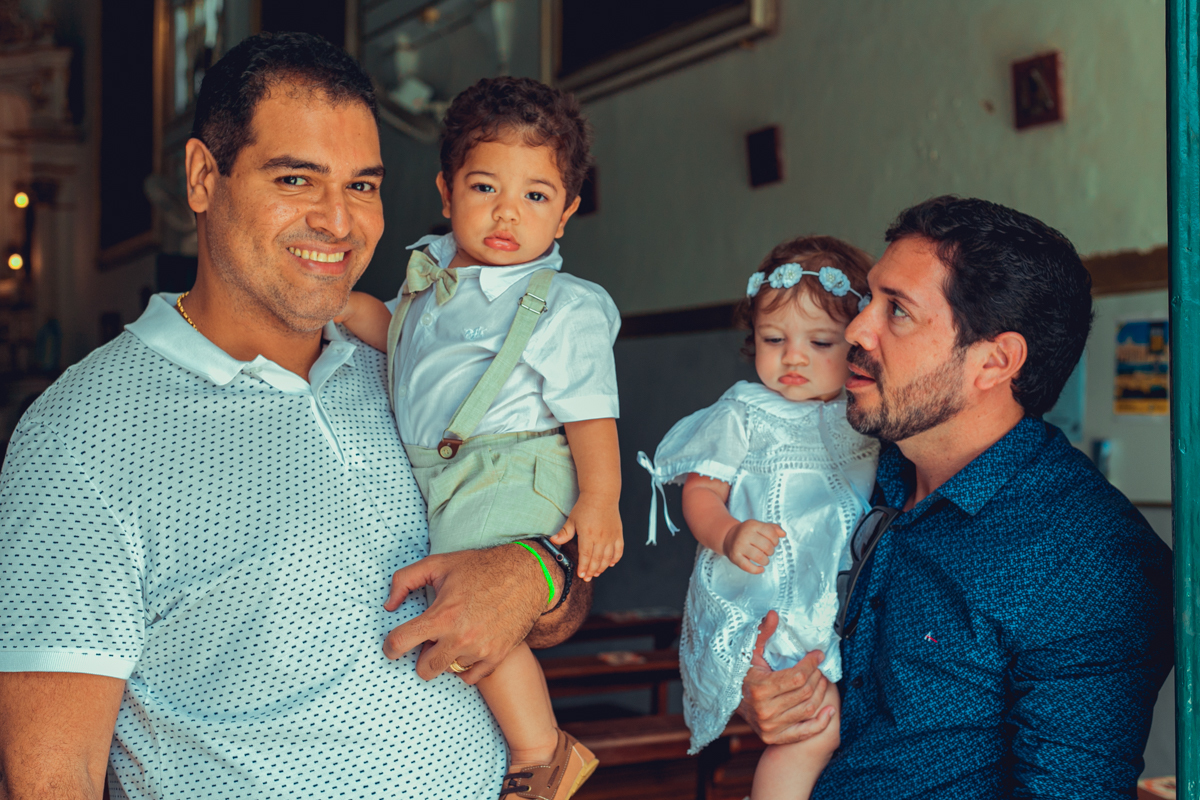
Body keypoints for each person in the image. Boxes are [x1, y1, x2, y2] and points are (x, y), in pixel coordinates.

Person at [0, 33, 591, 800]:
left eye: (362, 185)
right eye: (295, 179)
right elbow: (54, 775)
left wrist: (532, 572)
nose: (338, 222)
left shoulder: (412, 368)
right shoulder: (82, 435)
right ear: (202, 177)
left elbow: (562, 588)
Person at [736, 196, 1174, 799]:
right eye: (869, 299)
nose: (856, 329)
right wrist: (767, 697)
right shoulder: (855, 468)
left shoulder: (1090, 560)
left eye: (897, 310)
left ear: (995, 361)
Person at [335, 76, 622, 800]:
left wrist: (601, 499)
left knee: (471, 605)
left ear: (567, 212)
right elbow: (401, 345)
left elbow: (591, 411)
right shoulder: (432, 279)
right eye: (485, 186)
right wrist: (337, 305)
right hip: (451, 471)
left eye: (536, 195)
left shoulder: (564, 305)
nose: (506, 212)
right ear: (446, 191)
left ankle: (541, 753)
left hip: (510, 466)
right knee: (459, 604)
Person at [640, 236, 878, 799]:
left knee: (839, 728)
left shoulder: (866, 415)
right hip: (764, 598)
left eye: (820, 342)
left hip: (834, 602)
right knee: (812, 728)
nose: (793, 357)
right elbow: (701, 492)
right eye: (774, 339)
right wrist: (728, 533)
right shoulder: (744, 411)